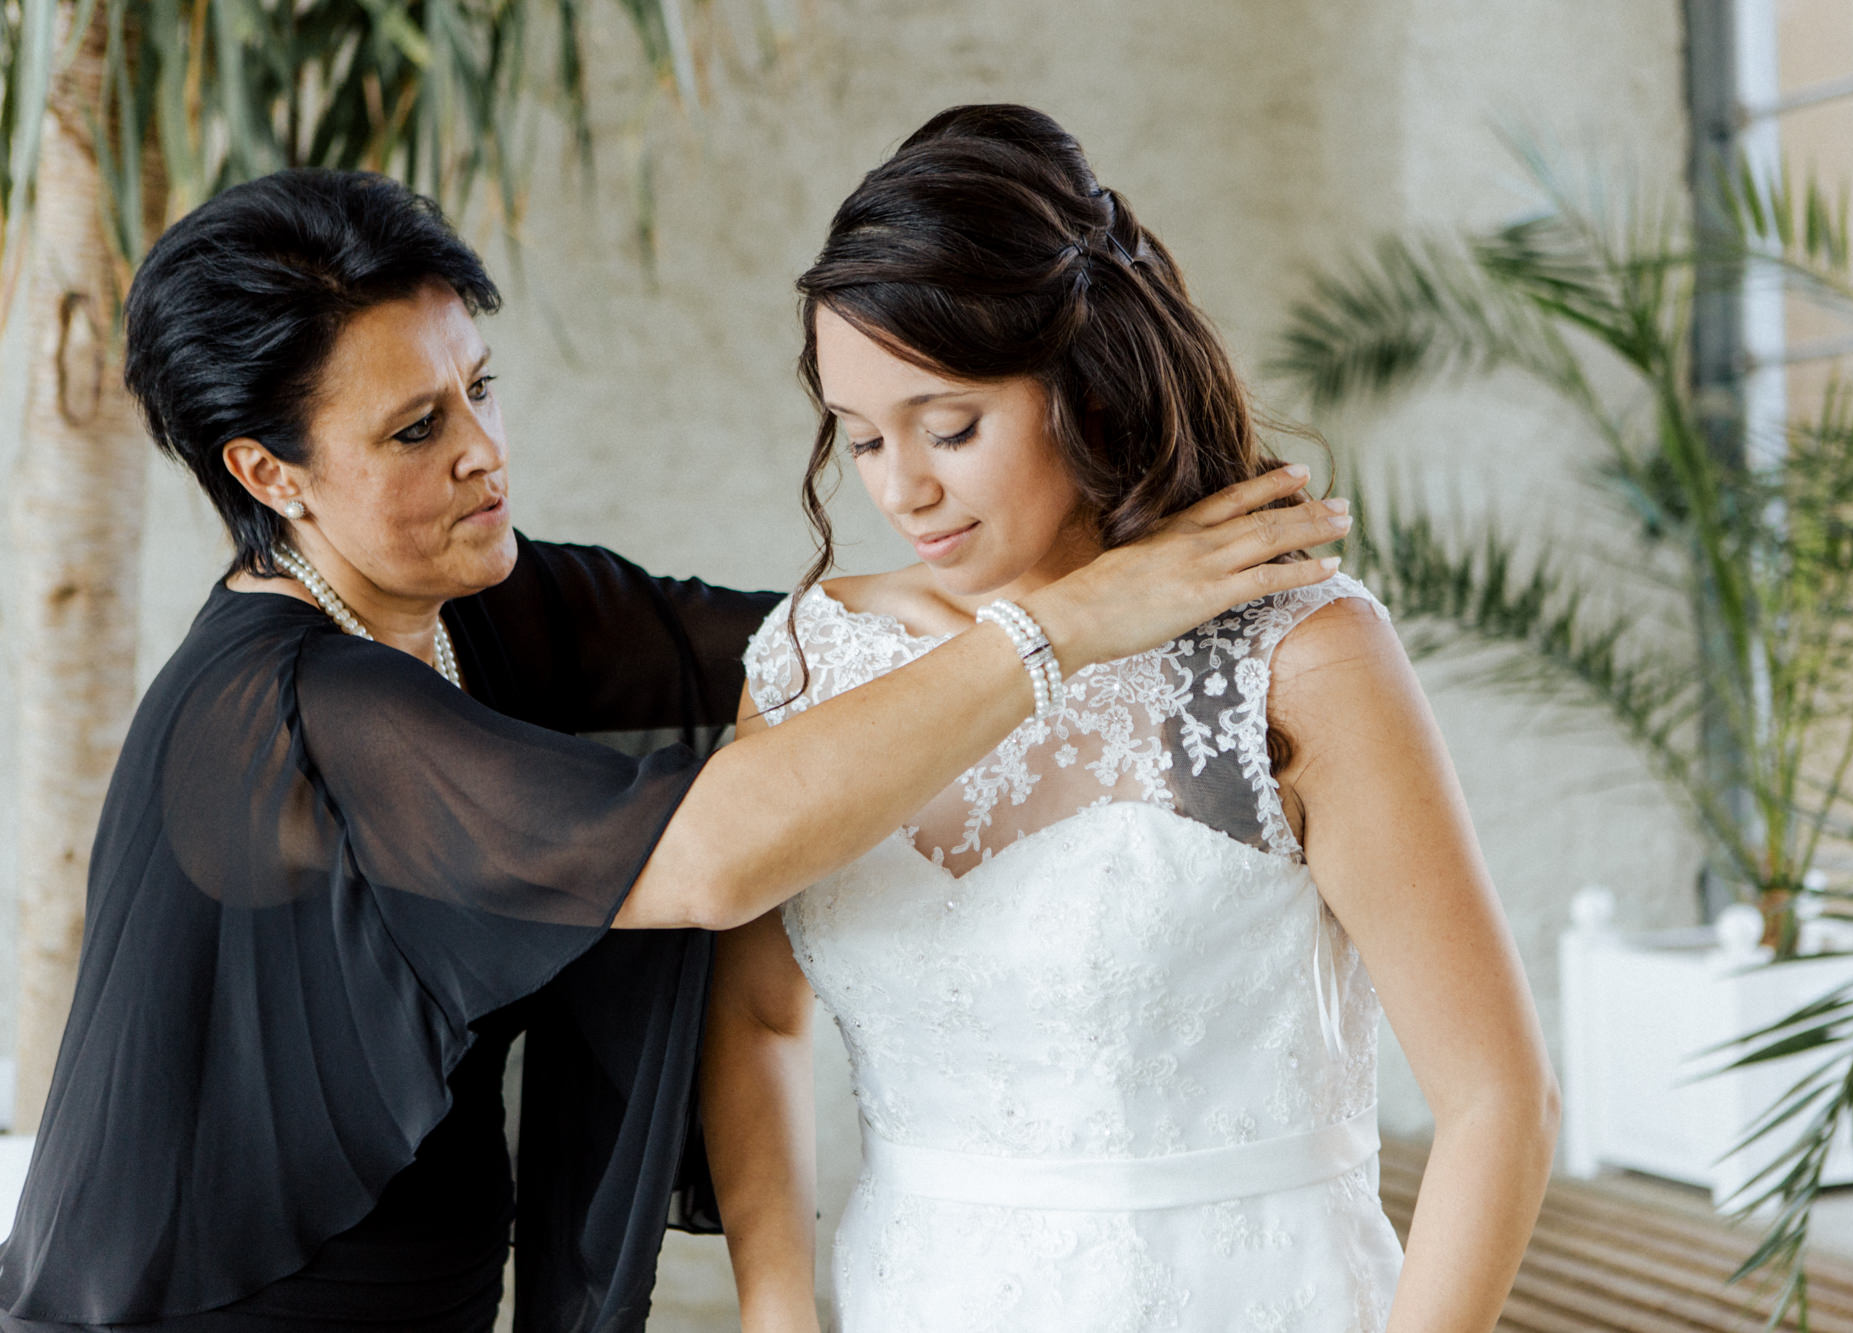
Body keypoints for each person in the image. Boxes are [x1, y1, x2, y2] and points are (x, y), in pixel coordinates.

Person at [0, 169, 1348, 1332]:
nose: (484, 453)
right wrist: (1063, 627)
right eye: (417, 430)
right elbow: (704, 856)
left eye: (479, 388)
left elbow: (823, 649)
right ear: (267, 474)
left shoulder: (484, 602)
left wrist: (1135, 576)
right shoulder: (294, 709)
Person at [704, 104, 1561, 1333]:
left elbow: (1497, 1102)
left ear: (1085, 386)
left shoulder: (1289, 656)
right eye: (858, 438)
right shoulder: (809, 659)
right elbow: (753, 1014)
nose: (902, 489)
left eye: (948, 426)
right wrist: (776, 1306)